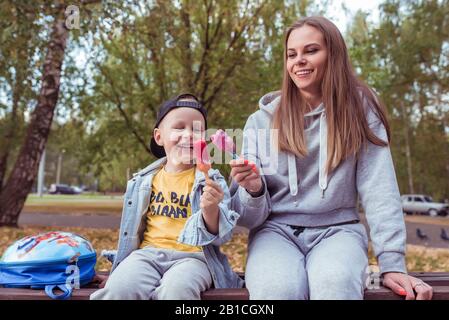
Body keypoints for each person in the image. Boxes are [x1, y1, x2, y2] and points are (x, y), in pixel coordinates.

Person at [229, 16, 433, 300]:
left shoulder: (360, 109)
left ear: (334, 55)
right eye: (291, 54)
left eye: (311, 50)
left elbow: (379, 189)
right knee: (277, 290)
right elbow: (247, 218)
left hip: (340, 232)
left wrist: (392, 263)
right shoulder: (260, 122)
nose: (299, 60)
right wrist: (253, 190)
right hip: (274, 234)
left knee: (334, 284)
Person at [91, 93, 243, 300]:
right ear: (159, 136)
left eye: (197, 130)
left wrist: (210, 209)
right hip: (147, 255)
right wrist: (120, 270)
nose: (189, 134)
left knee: (176, 292)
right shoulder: (143, 181)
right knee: (119, 290)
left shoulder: (212, 180)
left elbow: (221, 235)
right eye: (179, 127)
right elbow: (133, 231)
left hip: (195, 258)